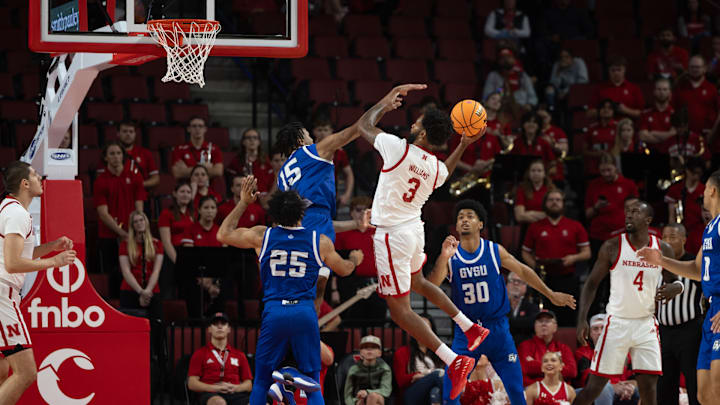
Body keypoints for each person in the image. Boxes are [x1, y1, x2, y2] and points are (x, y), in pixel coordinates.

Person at [356, 85, 490, 400]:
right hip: (415, 230)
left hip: (392, 236)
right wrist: (463, 145)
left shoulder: (397, 148)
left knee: (400, 311)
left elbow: (363, 126)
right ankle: (469, 326)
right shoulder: (433, 167)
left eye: (417, 122)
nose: (412, 124)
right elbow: (447, 171)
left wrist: (385, 102)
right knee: (417, 281)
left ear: (422, 132)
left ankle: (453, 360)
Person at [216, 177, 362, 405]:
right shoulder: (320, 241)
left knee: (261, 381)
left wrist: (244, 202)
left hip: (274, 311)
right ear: (302, 213)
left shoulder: (262, 236)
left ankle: (281, 385)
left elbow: (223, 234)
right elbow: (344, 270)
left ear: (273, 214)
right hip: (304, 312)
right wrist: (354, 259)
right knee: (313, 381)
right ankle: (292, 382)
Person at [428, 199, 576, 404]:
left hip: (497, 330)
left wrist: (550, 294)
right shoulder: (451, 257)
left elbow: (523, 271)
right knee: (451, 393)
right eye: (460, 217)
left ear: (480, 224)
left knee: (516, 390)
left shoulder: (493, 250)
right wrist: (443, 258)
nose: (464, 220)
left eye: (470, 216)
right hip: (467, 332)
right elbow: (432, 284)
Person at [574, 200, 682, 405]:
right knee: (594, 388)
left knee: (649, 389)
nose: (629, 216)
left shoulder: (663, 249)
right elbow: (590, 284)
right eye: (627, 212)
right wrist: (582, 320)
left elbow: (675, 282)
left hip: (646, 324)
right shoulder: (612, 246)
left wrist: (675, 288)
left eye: (635, 212)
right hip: (617, 323)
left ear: (648, 220)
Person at [637, 170, 720, 405]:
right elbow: (696, 269)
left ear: (712, 191)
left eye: (704, 190)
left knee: (718, 384)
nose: (703, 194)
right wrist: (661, 260)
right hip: (711, 313)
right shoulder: (711, 227)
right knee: (704, 394)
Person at [0, 161, 76, 405]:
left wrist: (50, 247)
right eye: (34, 175)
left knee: (3, 373)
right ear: (24, 183)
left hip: (5, 292)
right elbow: (13, 264)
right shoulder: (17, 213)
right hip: (3, 295)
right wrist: (55, 262)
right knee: (26, 372)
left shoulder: (9, 209)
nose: (39, 177)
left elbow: (18, 255)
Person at [521, 190, 590, 326]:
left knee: (568, 317)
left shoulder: (575, 226)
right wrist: (535, 267)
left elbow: (587, 252)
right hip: (543, 279)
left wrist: (573, 258)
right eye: (551, 200)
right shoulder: (535, 227)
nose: (554, 202)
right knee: (543, 317)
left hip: (568, 278)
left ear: (563, 204)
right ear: (545, 204)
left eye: (558, 200)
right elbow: (525, 252)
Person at [656, 223, 703, 405]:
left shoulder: (692, 263)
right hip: (664, 333)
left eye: (673, 237)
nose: (667, 241)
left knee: (693, 383)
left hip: (690, 331)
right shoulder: (656, 265)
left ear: (684, 240)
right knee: (665, 385)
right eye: (664, 237)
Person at [94, 141, 146, 297]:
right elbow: (103, 213)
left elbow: (139, 209)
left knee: (135, 270)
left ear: (123, 156)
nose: (116, 157)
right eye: (112, 153)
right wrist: (121, 233)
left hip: (132, 233)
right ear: (106, 157)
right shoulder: (101, 181)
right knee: (113, 273)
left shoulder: (135, 177)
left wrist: (135, 229)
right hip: (109, 235)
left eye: (118, 153)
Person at [333, 196, 386, 322]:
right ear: (351, 212)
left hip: (377, 284)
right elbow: (334, 262)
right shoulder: (341, 234)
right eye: (358, 210)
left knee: (378, 324)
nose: (362, 214)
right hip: (350, 285)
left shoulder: (380, 232)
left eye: (366, 210)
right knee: (352, 324)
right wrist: (334, 290)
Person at [188, 312, 253, 405]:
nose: (219, 326)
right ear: (209, 329)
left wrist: (235, 388)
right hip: (210, 394)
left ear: (229, 329)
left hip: (235, 393)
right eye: (215, 324)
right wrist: (215, 388)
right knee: (219, 402)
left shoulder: (239, 355)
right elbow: (192, 383)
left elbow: (249, 384)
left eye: (223, 324)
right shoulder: (199, 353)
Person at [584, 153, 639, 256]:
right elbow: (587, 214)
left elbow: (638, 210)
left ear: (616, 167)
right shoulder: (593, 185)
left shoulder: (628, 184)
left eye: (609, 170)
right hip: (599, 236)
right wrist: (597, 207)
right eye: (602, 171)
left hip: (623, 235)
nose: (606, 174)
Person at [574, 313, 627, 405]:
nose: (599, 332)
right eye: (595, 329)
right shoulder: (582, 353)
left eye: (603, 328)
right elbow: (587, 379)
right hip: (590, 393)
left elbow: (632, 377)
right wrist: (613, 386)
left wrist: (629, 386)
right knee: (604, 389)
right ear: (590, 334)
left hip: (621, 391)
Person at [118, 210, 163, 317]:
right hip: (131, 289)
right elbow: (126, 271)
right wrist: (141, 292)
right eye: (135, 222)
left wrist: (147, 291)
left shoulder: (157, 244)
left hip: (151, 289)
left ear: (146, 222)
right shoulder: (125, 244)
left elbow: (156, 270)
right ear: (132, 226)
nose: (139, 223)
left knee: (156, 324)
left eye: (141, 220)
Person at [393, 314, 444, 405]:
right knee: (438, 373)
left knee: (435, 392)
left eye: (426, 327)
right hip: (411, 394)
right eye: (419, 326)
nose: (423, 330)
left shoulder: (439, 352)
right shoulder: (402, 352)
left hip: (432, 390)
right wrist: (421, 375)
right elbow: (400, 381)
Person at [518, 311, 577, 387]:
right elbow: (524, 369)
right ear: (534, 326)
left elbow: (572, 372)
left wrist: (535, 364)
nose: (543, 324)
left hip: (561, 392)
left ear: (555, 327)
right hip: (534, 390)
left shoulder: (563, 348)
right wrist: (558, 366)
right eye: (540, 321)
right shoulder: (525, 346)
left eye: (548, 321)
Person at [158, 181, 194, 297]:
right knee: (168, 293)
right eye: (182, 191)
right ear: (175, 194)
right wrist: (178, 262)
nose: (185, 195)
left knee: (187, 292)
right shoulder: (166, 213)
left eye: (188, 192)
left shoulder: (193, 214)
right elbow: (166, 242)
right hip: (171, 255)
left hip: (189, 256)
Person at [672, 56, 719, 142]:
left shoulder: (712, 89)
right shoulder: (680, 88)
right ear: (688, 68)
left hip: (708, 138)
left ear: (704, 69)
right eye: (692, 67)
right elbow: (672, 110)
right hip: (684, 138)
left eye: (697, 67)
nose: (694, 69)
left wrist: (712, 133)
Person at [311, 117, 355, 207]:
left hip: (330, 196)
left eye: (325, 130)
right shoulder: (308, 151)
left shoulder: (339, 152)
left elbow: (349, 174)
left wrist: (347, 194)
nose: (323, 133)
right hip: (310, 195)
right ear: (314, 131)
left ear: (331, 131)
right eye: (319, 130)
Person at [666, 158, 706, 255]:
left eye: (699, 174)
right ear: (687, 171)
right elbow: (671, 216)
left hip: (698, 231)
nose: (696, 176)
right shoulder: (675, 189)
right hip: (681, 230)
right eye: (694, 173)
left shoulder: (704, 189)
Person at [343, 335, 392, 405]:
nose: (369, 350)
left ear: (379, 353)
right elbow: (347, 395)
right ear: (360, 352)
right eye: (365, 347)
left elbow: (386, 390)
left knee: (372, 396)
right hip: (358, 399)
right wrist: (353, 402)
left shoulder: (384, 368)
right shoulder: (354, 370)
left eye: (373, 347)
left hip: (379, 399)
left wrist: (367, 392)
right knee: (361, 401)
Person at [509, 113, 557, 178]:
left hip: (540, 179)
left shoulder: (544, 143)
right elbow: (511, 163)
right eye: (528, 122)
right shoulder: (516, 142)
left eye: (534, 122)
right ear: (523, 124)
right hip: (520, 179)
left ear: (538, 126)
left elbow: (553, 164)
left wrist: (544, 174)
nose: (531, 124)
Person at [115, 120, 160, 189]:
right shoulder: (110, 152)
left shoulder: (145, 153)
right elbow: (100, 177)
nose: (128, 134)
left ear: (135, 134)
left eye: (131, 131)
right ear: (118, 134)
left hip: (140, 194)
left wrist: (140, 184)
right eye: (124, 131)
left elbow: (155, 179)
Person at [227, 128, 275, 193]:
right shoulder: (236, 161)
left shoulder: (266, 161)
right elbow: (231, 182)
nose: (252, 140)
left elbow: (272, 182)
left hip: (263, 197)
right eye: (248, 137)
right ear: (243, 142)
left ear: (259, 142)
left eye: (255, 137)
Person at [638, 78, 676, 154]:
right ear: (654, 92)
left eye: (665, 89)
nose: (661, 92)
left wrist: (653, 132)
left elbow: (674, 136)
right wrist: (665, 137)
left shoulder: (674, 114)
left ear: (669, 92)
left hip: (670, 153)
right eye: (659, 89)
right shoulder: (645, 113)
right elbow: (642, 136)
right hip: (648, 152)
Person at [583, 99, 618, 176]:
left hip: (614, 168)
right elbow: (584, 151)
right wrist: (596, 154)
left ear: (614, 111)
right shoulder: (591, 128)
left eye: (609, 108)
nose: (606, 110)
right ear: (598, 111)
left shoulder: (618, 127)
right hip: (594, 169)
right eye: (603, 107)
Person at [514, 159, 554, 224]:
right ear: (529, 173)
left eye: (539, 171)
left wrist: (530, 213)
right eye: (533, 170)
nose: (536, 173)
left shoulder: (551, 190)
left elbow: (552, 215)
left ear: (544, 174)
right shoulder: (522, 189)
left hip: (547, 227)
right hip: (528, 227)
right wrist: (541, 218)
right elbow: (519, 216)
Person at [506, 272, 540, 344]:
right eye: (512, 281)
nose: (516, 284)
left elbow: (531, 323)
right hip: (503, 345)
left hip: (525, 346)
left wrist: (508, 323)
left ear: (525, 287)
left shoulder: (532, 307)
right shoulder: (499, 305)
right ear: (507, 285)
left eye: (520, 282)